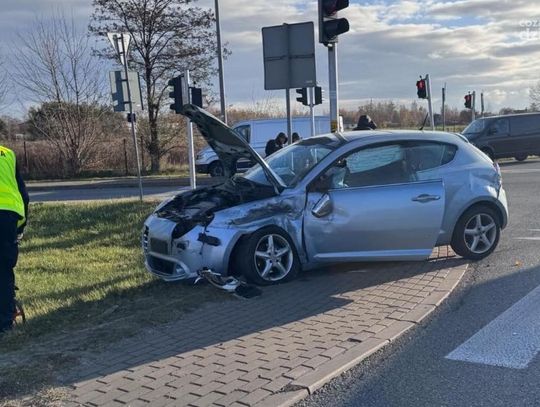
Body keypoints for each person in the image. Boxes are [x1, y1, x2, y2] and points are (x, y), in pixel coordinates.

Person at [0, 145, 29, 334]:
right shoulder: (8, 154)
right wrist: (21, 225)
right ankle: (5, 324)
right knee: (3, 270)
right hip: (8, 217)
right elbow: (23, 193)